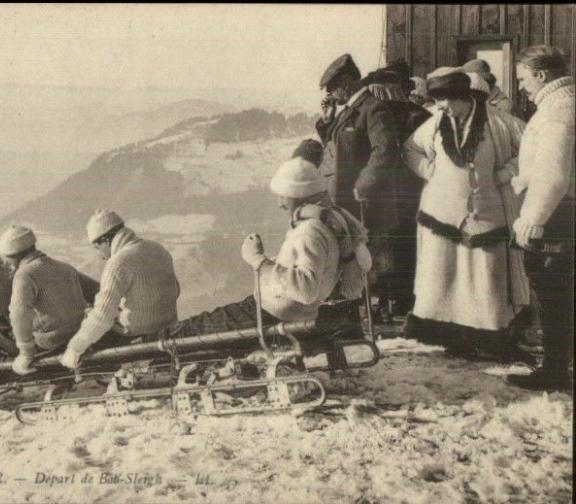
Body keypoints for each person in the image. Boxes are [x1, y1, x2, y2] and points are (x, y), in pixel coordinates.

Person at [156, 145, 372, 340]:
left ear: (297, 194)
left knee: (192, 331)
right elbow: (348, 266)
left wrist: (258, 260)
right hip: (279, 310)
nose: (279, 204)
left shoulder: (310, 231)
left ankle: (142, 345)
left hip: (271, 314)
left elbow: (306, 290)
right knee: (202, 322)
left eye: (282, 196)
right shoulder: (336, 220)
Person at [402, 70, 530, 359]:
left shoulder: (499, 121)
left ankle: (486, 339)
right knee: (441, 275)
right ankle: (443, 335)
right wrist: (428, 170)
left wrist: (506, 172)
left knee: (484, 275)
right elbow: (410, 149)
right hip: (440, 213)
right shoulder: (436, 122)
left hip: (486, 212)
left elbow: (533, 148)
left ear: (463, 97)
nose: (441, 106)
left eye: (445, 100)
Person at [505, 46, 574, 391]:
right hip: (562, 208)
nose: (521, 87)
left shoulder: (556, 111)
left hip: (557, 214)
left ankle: (556, 370)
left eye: (522, 79)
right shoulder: (562, 103)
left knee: (554, 295)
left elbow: (554, 175)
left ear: (542, 76)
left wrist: (532, 219)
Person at [315, 53, 401, 319]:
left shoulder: (373, 108)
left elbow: (385, 150)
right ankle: (360, 312)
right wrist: (327, 120)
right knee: (356, 259)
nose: (330, 93)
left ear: (348, 83)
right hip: (347, 202)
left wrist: (364, 184)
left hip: (368, 202)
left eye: (333, 87)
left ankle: (379, 314)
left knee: (374, 260)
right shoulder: (350, 112)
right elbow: (338, 148)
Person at [0, 225, 100, 375]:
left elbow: (19, 315)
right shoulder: (65, 267)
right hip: (75, 335)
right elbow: (97, 291)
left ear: (13, 255)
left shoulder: (25, 274)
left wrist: (25, 355)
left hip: (47, 344)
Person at [59, 210, 180, 369]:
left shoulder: (117, 263)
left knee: (88, 317)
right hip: (168, 326)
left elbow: (102, 317)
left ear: (107, 240)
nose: (99, 255)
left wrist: (74, 349)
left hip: (135, 335)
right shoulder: (158, 249)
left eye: (97, 247)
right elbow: (176, 290)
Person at [365, 68, 433, 320]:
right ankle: (406, 299)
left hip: (384, 192)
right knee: (410, 244)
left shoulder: (374, 115)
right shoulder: (422, 115)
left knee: (384, 245)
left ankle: (384, 300)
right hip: (415, 190)